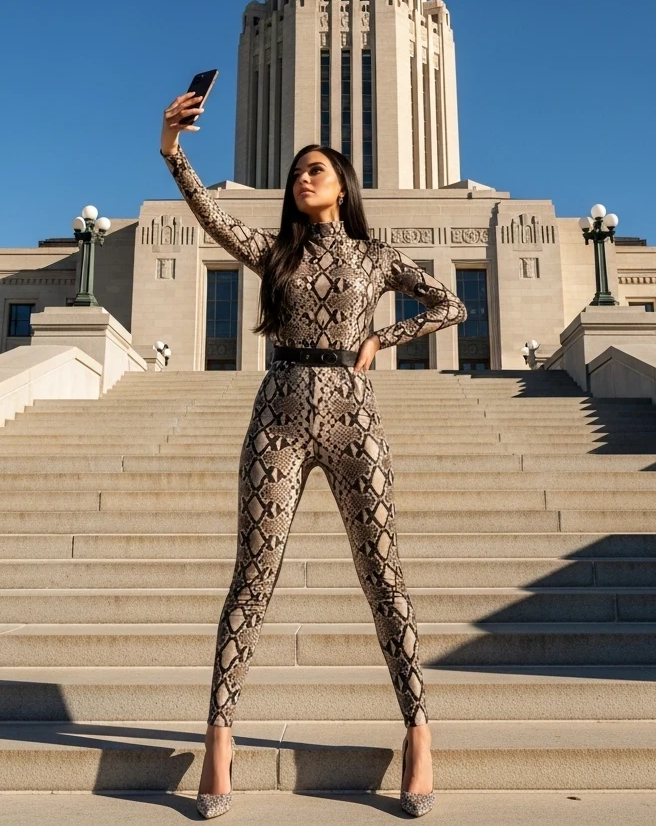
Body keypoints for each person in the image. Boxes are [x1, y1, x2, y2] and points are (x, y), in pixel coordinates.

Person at [158, 92, 467, 818]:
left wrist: (383, 340)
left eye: (316, 169)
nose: (303, 177)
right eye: (298, 171)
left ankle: (419, 732)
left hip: (355, 418)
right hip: (280, 416)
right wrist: (173, 147)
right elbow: (211, 215)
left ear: (341, 185)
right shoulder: (276, 253)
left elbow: (450, 305)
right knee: (253, 579)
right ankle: (219, 741)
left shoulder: (375, 255)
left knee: (383, 576)